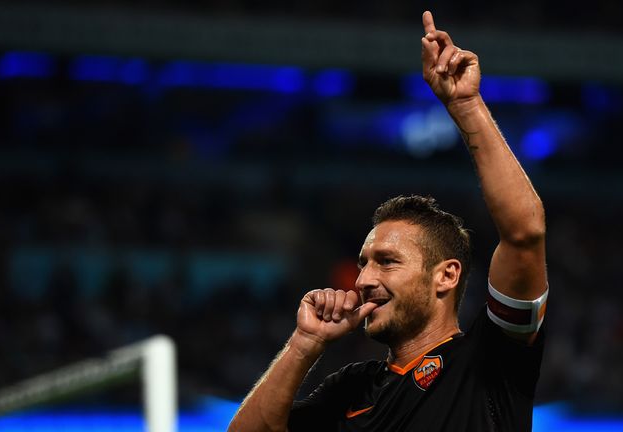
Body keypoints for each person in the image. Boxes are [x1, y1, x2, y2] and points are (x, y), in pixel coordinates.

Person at [228, 10, 548, 432]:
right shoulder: (351, 388)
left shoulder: (489, 363)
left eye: (387, 261)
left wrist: (466, 105)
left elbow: (524, 234)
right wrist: (305, 344)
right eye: (364, 262)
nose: (362, 279)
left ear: (446, 276)